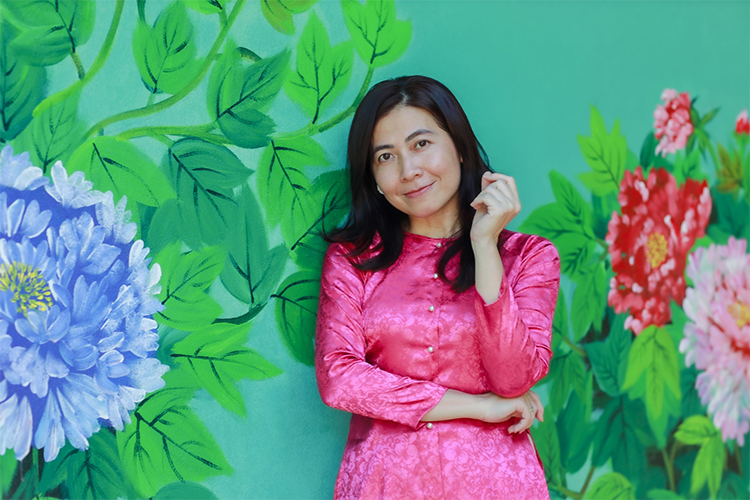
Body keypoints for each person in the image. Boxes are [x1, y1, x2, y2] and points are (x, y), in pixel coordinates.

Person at [315, 75, 560, 500]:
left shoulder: (529, 257)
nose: (409, 170)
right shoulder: (353, 261)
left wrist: (484, 247)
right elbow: (340, 379)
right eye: (386, 156)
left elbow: (513, 378)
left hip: (496, 484)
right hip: (385, 486)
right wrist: (479, 407)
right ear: (373, 177)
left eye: (421, 144)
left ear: (460, 147)